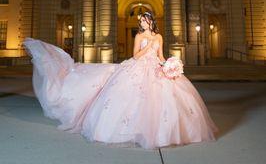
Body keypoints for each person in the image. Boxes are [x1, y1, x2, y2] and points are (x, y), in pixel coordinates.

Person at [23, 12, 218, 149]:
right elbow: (136, 56)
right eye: (140, 21)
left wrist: (168, 65)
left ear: (151, 21)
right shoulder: (139, 36)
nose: (142, 23)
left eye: (144, 20)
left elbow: (160, 54)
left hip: (156, 68)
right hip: (139, 66)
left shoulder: (158, 36)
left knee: (167, 99)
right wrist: (146, 45)